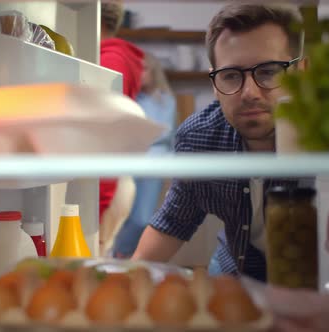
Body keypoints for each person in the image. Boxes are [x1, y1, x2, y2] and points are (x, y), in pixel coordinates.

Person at [132, 4, 312, 281]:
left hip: (311, 278)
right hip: (235, 268)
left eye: (268, 72)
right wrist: (123, 282)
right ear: (215, 84)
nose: (249, 93)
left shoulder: (328, 138)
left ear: (301, 71)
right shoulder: (200, 139)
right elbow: (172, 223)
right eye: (231, 76)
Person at [112, 53, 177, 258]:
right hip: (127, 164)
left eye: (145, 69)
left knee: (141, 219)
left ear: (154, 71)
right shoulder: (130, 98)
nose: (140, 74)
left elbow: (163, 133)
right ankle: (119, 258)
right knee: (121, 216)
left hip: (153, 165)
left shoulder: (165, 101)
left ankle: (122, 254)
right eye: (137, 69)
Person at [98, 1, 144, 221]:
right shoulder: (115, 57)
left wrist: (99, 204)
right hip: (112, 181)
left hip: (107, 185)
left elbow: (108, 137)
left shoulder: (110, 60)